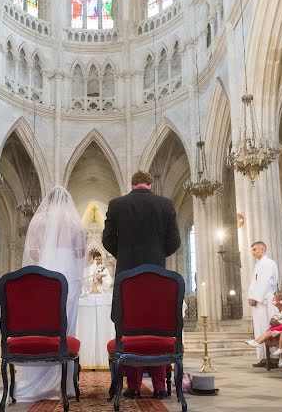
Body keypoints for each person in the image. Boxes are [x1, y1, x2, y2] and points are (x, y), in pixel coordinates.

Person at [0, 186, 86, 408]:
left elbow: (33, 252)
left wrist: (48, 255)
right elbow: (81, 252)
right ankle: (63, 383)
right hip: (69, 276)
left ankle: (35, 379)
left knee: (41, 323)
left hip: (44, 271)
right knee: (64, 326)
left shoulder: (40, 220)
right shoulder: (73, 221)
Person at [102, 170, 181, 400]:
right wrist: (157, 254)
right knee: (157, 328)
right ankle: (160, 387)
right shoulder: (165, 205)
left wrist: (124, 254)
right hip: (158, 275)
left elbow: (107, 238)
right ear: (150, 184)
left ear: (132, 184)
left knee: (128, 328)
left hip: (127, 274)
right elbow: (175, 240)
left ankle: (134, 387)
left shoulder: (117, 204)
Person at [247, 241, 278, 367]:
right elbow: (254, 283)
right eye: (252, 250)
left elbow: (265, 282)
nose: (253, 252)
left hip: (265, 300)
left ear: (262, 249)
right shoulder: (259, 264)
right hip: (259, 302)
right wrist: (250, 296)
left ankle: (274, 357)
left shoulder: (268, 263)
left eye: (255, 249)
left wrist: (256, 297)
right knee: (259, 328)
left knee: (266, 326)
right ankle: (264, 357)